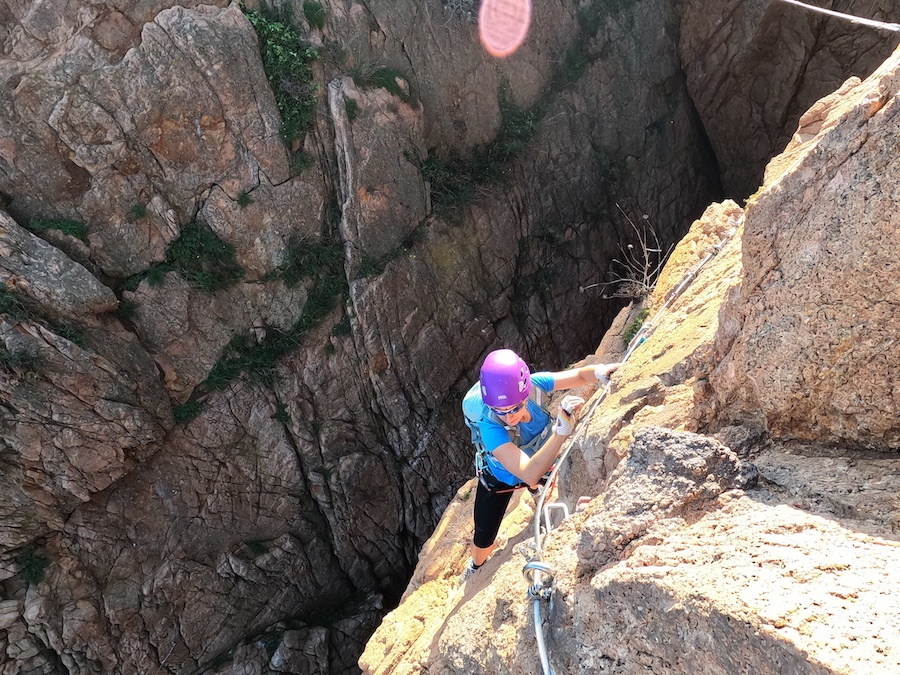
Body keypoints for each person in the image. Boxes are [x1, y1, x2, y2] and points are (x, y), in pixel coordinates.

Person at [460, 348, 620, 581]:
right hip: (500, 478)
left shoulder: (535, 386)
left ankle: (538, 495)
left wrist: (600, 371)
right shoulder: (490, 426)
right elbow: (529, 473)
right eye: (500, 411)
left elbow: (578, 376)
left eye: (514, 408)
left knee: (548, 488)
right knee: (484, 538)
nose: (509, 417)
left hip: (541, 461)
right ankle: (475, 566)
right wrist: (560, 432)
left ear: (524, 394)